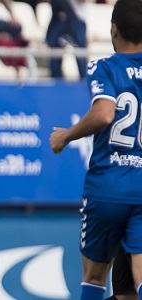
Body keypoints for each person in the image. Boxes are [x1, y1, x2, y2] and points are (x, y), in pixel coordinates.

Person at [49, 0, 142, 298]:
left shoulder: (104, 67)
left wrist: (66, 136)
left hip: (107, 185)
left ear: (113, 30)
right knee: (139, 276)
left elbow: (104, 113)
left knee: (94, 278)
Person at [46, 0, 87, 78]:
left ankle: (84, 83)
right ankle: (56, 82)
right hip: (58, 20)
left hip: (77, 19)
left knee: (80, 54)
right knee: (55, 53)